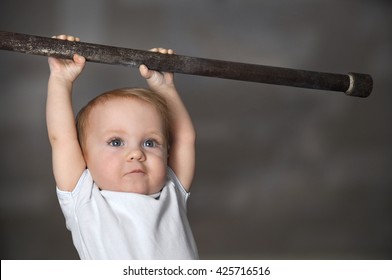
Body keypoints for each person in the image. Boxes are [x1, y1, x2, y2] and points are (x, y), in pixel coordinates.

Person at [46, 35, 198, 259]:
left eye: (150, 142)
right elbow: (62, 139)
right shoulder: (84, 199)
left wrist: (165, 88)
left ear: (166, 152)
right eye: (116, 142)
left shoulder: (171, 191)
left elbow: (184, 138)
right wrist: (61, 79)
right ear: (84, 155)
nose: (136, 153)